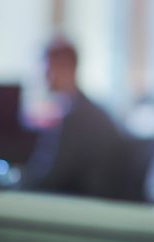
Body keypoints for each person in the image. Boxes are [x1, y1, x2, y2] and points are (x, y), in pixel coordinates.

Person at [23, 38, 127, 199]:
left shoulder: (78, 118)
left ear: (67, 67)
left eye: (48, 69)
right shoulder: (83, 110)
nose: (44, 76)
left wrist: (18, 184)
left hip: (86, 202)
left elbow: (52, 176)